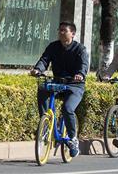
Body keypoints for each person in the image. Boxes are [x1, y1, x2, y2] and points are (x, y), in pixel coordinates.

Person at [29, 21, 89, 158]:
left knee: (67, 108)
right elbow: (44, 60)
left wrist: (80, 74)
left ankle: (73, 139)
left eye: (64, 30)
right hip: (58, 82)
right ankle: (46, 122)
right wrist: (38, 69)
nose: (61, 33)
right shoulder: (53, 46)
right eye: (59, 30)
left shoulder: (80, 49)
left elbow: (84, 65)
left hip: (74, 85)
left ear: (72, 34)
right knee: (43, 88)